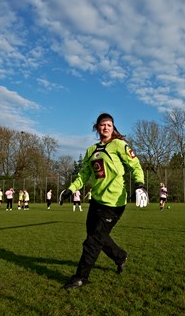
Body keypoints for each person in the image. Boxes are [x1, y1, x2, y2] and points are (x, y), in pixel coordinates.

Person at [59, 113, 148, 289]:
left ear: (113, 127)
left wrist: (140, 185)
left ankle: (80, 277)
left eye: (109, 124)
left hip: (114, 204)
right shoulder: (91, 151)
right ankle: (120, 256)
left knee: (92, 241)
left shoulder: (120, 145)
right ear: (97, 127)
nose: (106, 127)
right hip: (96, 201)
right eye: (102, 124)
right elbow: (84, 174)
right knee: (98, 237)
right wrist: (71, 189)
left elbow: (135, 166)